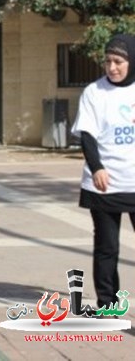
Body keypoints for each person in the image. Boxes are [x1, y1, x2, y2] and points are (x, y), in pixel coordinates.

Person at [71, 34, 135, 311]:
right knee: (107, 247)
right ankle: (108, 304)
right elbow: (87, 135)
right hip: (105, 182)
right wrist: (96, 167)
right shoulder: (94, 92)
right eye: (108, 61)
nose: (112, 68)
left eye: (118, 62)